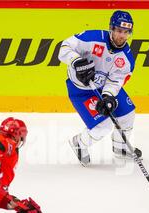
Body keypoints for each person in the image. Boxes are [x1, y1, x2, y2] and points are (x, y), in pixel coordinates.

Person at [59, 10, 142, 166]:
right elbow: (64, 47)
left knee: (127, 114)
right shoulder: (92, 38)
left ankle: (120, 147)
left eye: (126, 32)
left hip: (103, 86)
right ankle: (79, 143)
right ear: (111, 28)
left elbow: (116, 81)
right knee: (103, 126)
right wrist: (76, 61)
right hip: (81, 90)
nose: (121, 36)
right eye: (118, 31)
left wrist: (108, 97)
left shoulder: (126, 58)